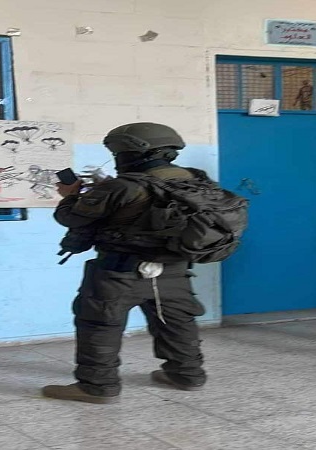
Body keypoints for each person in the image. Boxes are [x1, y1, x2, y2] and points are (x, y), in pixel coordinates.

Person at [42, 122, 208, 404]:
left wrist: (69, 196)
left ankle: (97, 387)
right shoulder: (196, 179)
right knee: (177, 323)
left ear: (131, 152)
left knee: (100, 324)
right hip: (174, 271)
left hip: (118, 272)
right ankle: (187, 374)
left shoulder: (121, 186)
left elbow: (71, 218)